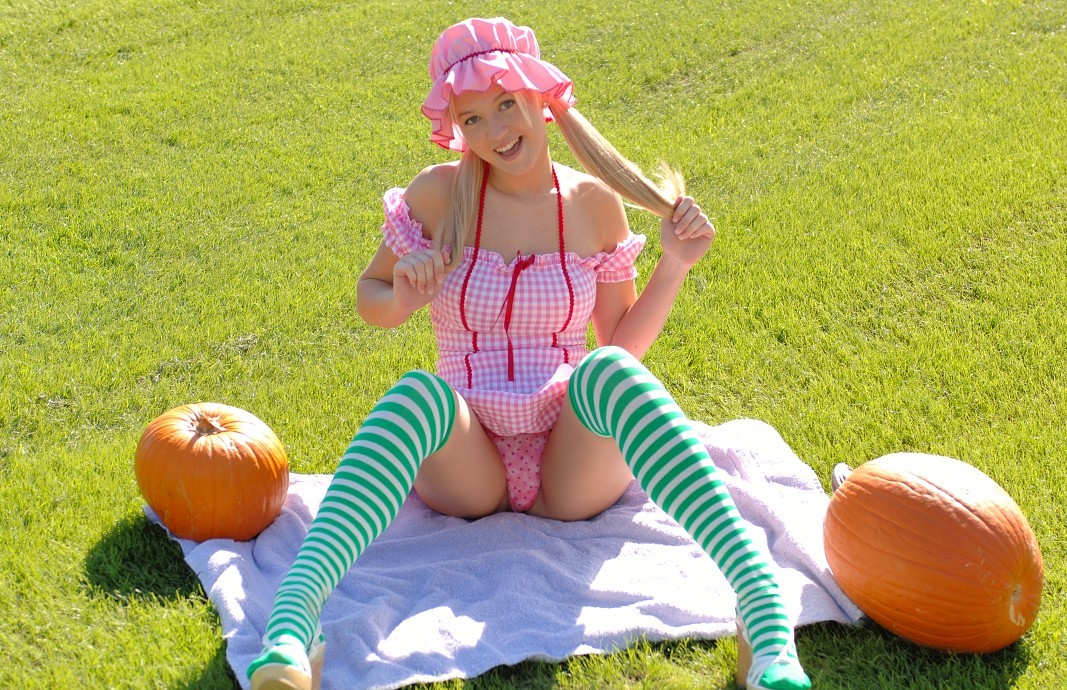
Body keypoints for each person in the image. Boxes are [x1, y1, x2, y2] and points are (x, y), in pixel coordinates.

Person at [247, 17, 810, 690]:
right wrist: (401, 294)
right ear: (457, 128)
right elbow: (371, 296)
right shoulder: (438, 195)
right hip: (471, 461)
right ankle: (293, 620)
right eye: (472, 118)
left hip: (570, 462)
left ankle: (761, 605)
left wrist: (675, 265)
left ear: (539, 97)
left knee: (610, 370)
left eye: (506, 104)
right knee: (415, 395)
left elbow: (619, 341)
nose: (495, 130)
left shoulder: (593, 204)